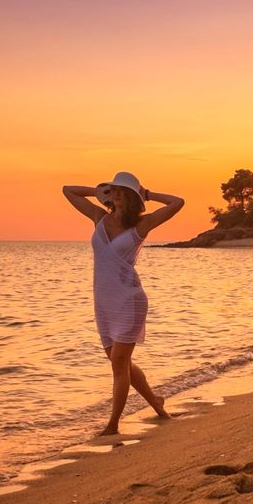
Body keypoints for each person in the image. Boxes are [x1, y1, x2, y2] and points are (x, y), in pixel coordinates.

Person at [62, 172, 185, 436]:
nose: (116, 193)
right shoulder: (99, 218)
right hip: (104, 303)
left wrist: (148, 194)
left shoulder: (141, 225)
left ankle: (113, 424)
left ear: (131, 197)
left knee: (118, 364)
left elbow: (178, 202)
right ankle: (156, 403)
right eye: (113, 190)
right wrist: (100, 189)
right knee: (121, 362)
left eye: (121, 190)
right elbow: (68, 190)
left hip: (129, 301)